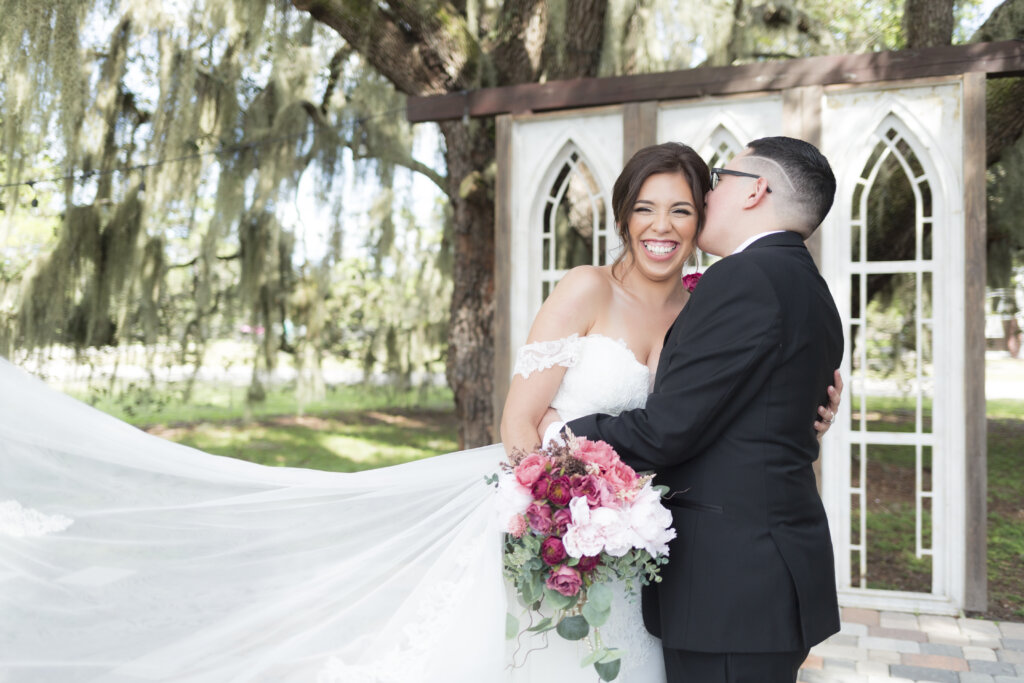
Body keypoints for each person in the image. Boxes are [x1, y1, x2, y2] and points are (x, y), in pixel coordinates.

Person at [0, 142, 839, 683]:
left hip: (652, 549)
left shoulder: (713, 296)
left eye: (686, 206)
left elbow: (706, 414)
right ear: (622, 214)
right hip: (557, 517)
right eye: (645, 208)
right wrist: (562, 479)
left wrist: (803, 410)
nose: (663, 225)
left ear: (713, 213)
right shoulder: (596, 288)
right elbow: (524, 422)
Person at [543, 136, 844, 683]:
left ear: (756, 190)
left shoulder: (744, 279)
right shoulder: (809, 287)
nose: (709, 195)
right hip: (759, 583)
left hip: (731, 590)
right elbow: (767, 417)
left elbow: (667, 431)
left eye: (718, 180)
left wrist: (560, 434)